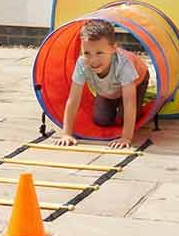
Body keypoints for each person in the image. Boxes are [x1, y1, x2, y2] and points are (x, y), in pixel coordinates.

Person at [53, 19, 150, 150]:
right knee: (101, 120)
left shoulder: (124, 64)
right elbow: (73, 100)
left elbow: (129, 103)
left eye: (99, 53)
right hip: (109, 88)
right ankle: (114, 99)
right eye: (87, 53)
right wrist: (66, 133)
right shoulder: (82, 63)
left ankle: (131, 102)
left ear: (113, 49)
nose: (93, 60)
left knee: (124, 118)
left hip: (136, 81)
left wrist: (126, 137)